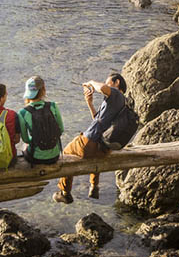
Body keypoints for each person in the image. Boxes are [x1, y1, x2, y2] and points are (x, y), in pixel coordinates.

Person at [53, 72, 137, 203]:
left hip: (89, 144)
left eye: (108, 82)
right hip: (104, 149)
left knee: (66, 153)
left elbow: (102, 88)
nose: (106, 84)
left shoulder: (115, 94)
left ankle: (65, 192)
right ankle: (94, 186)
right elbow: (98, 121)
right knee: (94, 154)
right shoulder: (122, 103)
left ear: (117, 83)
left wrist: (91, 82)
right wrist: (90, 103)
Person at [17, 75, 64, 165]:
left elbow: (26, 139)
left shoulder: (22, 113)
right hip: (55, 156)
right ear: (43, 90)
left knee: (24, 146)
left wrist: (37, 138)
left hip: (36, 158)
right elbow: (61, 130)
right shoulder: (53, 106)